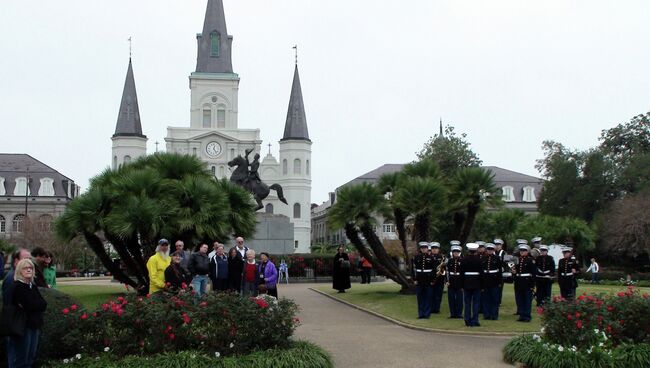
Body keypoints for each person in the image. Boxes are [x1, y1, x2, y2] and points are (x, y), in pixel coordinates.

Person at [11, 259, 48, 368]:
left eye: (30, 268)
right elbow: (29, 305)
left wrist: (35, 305)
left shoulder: (32, 286)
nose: (28, 270)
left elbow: (43, 304)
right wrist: (35, 305)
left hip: (35, 325)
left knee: (31, 357)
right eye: (25, 268)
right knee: (22, 358)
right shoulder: (18, 286)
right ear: (19, 271)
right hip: (23, 326)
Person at [3, 248, 31, 368]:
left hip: (25, 323)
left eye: (30, 259)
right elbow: (10, 304)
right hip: (17, 324)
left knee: (26, 358)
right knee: (18, 359)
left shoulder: (25, 277)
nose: (29, 262)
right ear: (16, 261)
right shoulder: (11, 279)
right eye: (25, 259)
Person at [461, 243, 483, 327]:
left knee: (467, 303)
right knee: (476, 303)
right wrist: (482, 286)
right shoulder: (479, 260)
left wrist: (462, 285)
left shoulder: (464, 260)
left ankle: (467, 320)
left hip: (466, 283)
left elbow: (461, 274)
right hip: (477, 283)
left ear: (468, 251)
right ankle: (475, 320)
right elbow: (482, 274)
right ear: (476, 251)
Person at [513, 244, 536, 322]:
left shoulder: (530, 260)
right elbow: (515, 271)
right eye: (521, 251)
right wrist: (514, 272)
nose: (522, 252)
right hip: (519, 282)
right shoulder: (517, 260)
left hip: (527, 282)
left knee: (527, 300)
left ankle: (527, 316)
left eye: (524, 251)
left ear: (527, 251)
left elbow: (533, 273)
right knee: (520, 300)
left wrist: (532, 285)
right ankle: (521, 315)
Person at [412, 242, 434, 319]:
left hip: (428, 280)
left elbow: (433, 270)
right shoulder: (416, 257)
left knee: (428, 297)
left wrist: (432, 280)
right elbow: (414, 269)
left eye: (425, 248)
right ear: (420, 249)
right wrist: (414, 279)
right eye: (422, 248)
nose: (424, 249)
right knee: (420, 298)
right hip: (419, 279)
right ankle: (421, 314)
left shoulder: (431, 258)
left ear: (427, 249)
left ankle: (427, 314)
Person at [481, 243, 502, 320]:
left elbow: (499, 271)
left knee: (494, 299)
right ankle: (486, 314)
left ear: (493, 250)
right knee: (486, 299)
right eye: (488, 249)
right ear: (486, 250)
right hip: (485, 280)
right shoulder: (483, 258)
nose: (489, 251)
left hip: (494, 280)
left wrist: (500, 282)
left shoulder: (497, 258)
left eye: (491, 250)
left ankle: (494, 315)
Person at [446, 244, 463, 319]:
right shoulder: (450, 261)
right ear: (452, 253)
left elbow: (463, 272)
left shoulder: (462, 260)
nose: (456, 253)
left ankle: (459, 313)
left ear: (459, 252)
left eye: (457, 252)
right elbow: (446, 272)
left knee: (459, 298)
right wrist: (446, 281)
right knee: (451, 298)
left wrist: (463, 283)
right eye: (454, 252)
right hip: (451, 280)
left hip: (459, 280)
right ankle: (452, 313)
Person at [429, 242, 445, 314]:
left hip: (440, 279)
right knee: (430, 295)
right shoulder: (428, 257)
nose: (434, 250)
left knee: (438, 295)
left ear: (438, 249)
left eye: (436, 248)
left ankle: (437, 309)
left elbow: (444, 269)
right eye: (433, 248)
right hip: (430, 279)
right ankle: (431, 309)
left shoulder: (442, 257)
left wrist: (443, 278)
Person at [494, 238, 507, 306]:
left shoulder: (504, 253)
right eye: (496, 244)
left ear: (501, 245)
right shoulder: (493, 252)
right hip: (493, 273)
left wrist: (502, 269)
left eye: (498, 245)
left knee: (499, 287)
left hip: (501, 272)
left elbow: (506, 263)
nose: (497, 246)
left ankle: (498, 301)